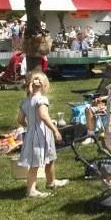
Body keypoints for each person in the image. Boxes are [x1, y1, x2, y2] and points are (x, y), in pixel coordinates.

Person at [16, 70, 68, 198]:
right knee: (35, 163)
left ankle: (51, 182)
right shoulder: (42, 99)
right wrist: (55, 130)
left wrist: (27, 123)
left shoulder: (25, 102)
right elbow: (43, 116)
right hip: (41, 135)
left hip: (32, 133)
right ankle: (31, 190)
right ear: (45, 86)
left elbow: (20, 120)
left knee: (50, 158)